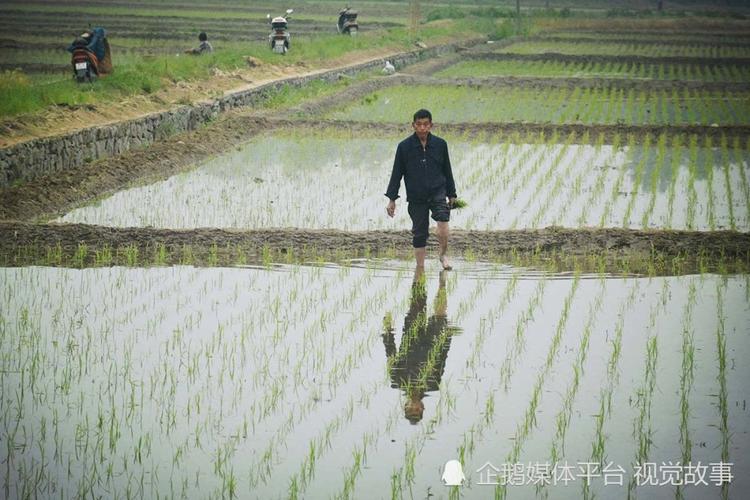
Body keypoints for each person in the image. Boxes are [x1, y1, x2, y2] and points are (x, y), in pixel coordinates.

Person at [382, 269, 460, 424]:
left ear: (405, 405)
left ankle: (420, 272)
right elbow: (441, 360)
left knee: (417, 303)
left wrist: (388, 331)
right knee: (440, 314)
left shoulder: (397, 381)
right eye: (416, 409)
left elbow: (391, 354)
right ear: (422, 407)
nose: (414, 406)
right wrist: (448, 338)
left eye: (410, 408)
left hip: (411, 340)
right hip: (431, 343)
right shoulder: (433, 384)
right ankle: (442, 283)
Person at [385, 109, 457, 270]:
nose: (422, 128)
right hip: (417, 196)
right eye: (419, 124)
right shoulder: (404, 147)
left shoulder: (440, 144)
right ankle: (420, 268)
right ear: (413, 125)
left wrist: (451, 193)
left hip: (438, 191)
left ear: (431, 125)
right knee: (419, 234)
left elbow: (447, 170)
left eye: (426, 124)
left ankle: (443, 255)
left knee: (444, 222)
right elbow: (397, 173)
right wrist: (392, 200)